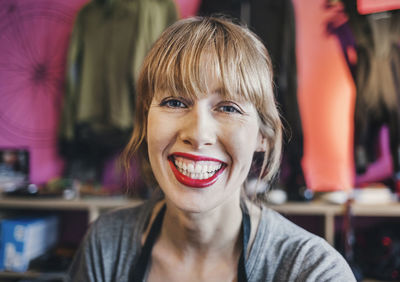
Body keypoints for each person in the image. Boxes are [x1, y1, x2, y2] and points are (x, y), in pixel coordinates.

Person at [68, 16, 356, 281]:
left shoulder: (314, 271)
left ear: (263, 136)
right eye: (175, 102)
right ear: (146, 120)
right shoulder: (106, 245)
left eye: (228, 107)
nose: (198, 134)